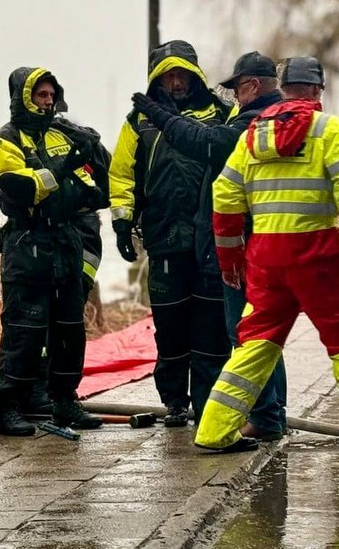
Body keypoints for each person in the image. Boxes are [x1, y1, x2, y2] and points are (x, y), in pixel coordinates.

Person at [196, 56, 339, 465]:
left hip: (266, 262)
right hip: (319, 257)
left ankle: (214, 431)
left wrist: (231, 259)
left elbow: (224, 197)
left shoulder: (252, 134)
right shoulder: (329, 129)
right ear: (315, 90)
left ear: (283, 87)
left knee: (254, 344)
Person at [129, 50, 289, 440]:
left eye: (237, 89)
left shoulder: (255, 121)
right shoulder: (269, 118)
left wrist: (162, 116)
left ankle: (267, 416)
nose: (234, 97)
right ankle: (269, 413)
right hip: (253, 244)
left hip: (244, 248)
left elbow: (207, 142)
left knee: (248, 333)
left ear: (252, 86)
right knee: (260, 331)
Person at [110, 40, 232, 427]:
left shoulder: (222, 115)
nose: (176, 82)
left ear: (195, 75)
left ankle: (209, 404)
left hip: (211, 241)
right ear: (157, 78)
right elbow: (121, 175)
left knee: (210, 329)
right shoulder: (138, 121)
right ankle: (175, 402)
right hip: (163, 237)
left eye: (182, 74)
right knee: (171, 327)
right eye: (169, 74)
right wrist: (122, 222)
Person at [0, 66, 106, 436]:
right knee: (24, 330)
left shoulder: (61, 136)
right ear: (24, 97)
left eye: (52, 95)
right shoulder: (4, 142)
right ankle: (10, 405)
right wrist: (62, 171)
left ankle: (65, 400)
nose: (48, 102)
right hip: (28, 244)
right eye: (41, 95)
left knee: (70, 329)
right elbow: (19, 189)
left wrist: (92, 153)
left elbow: (94, 192)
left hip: (66, 242)